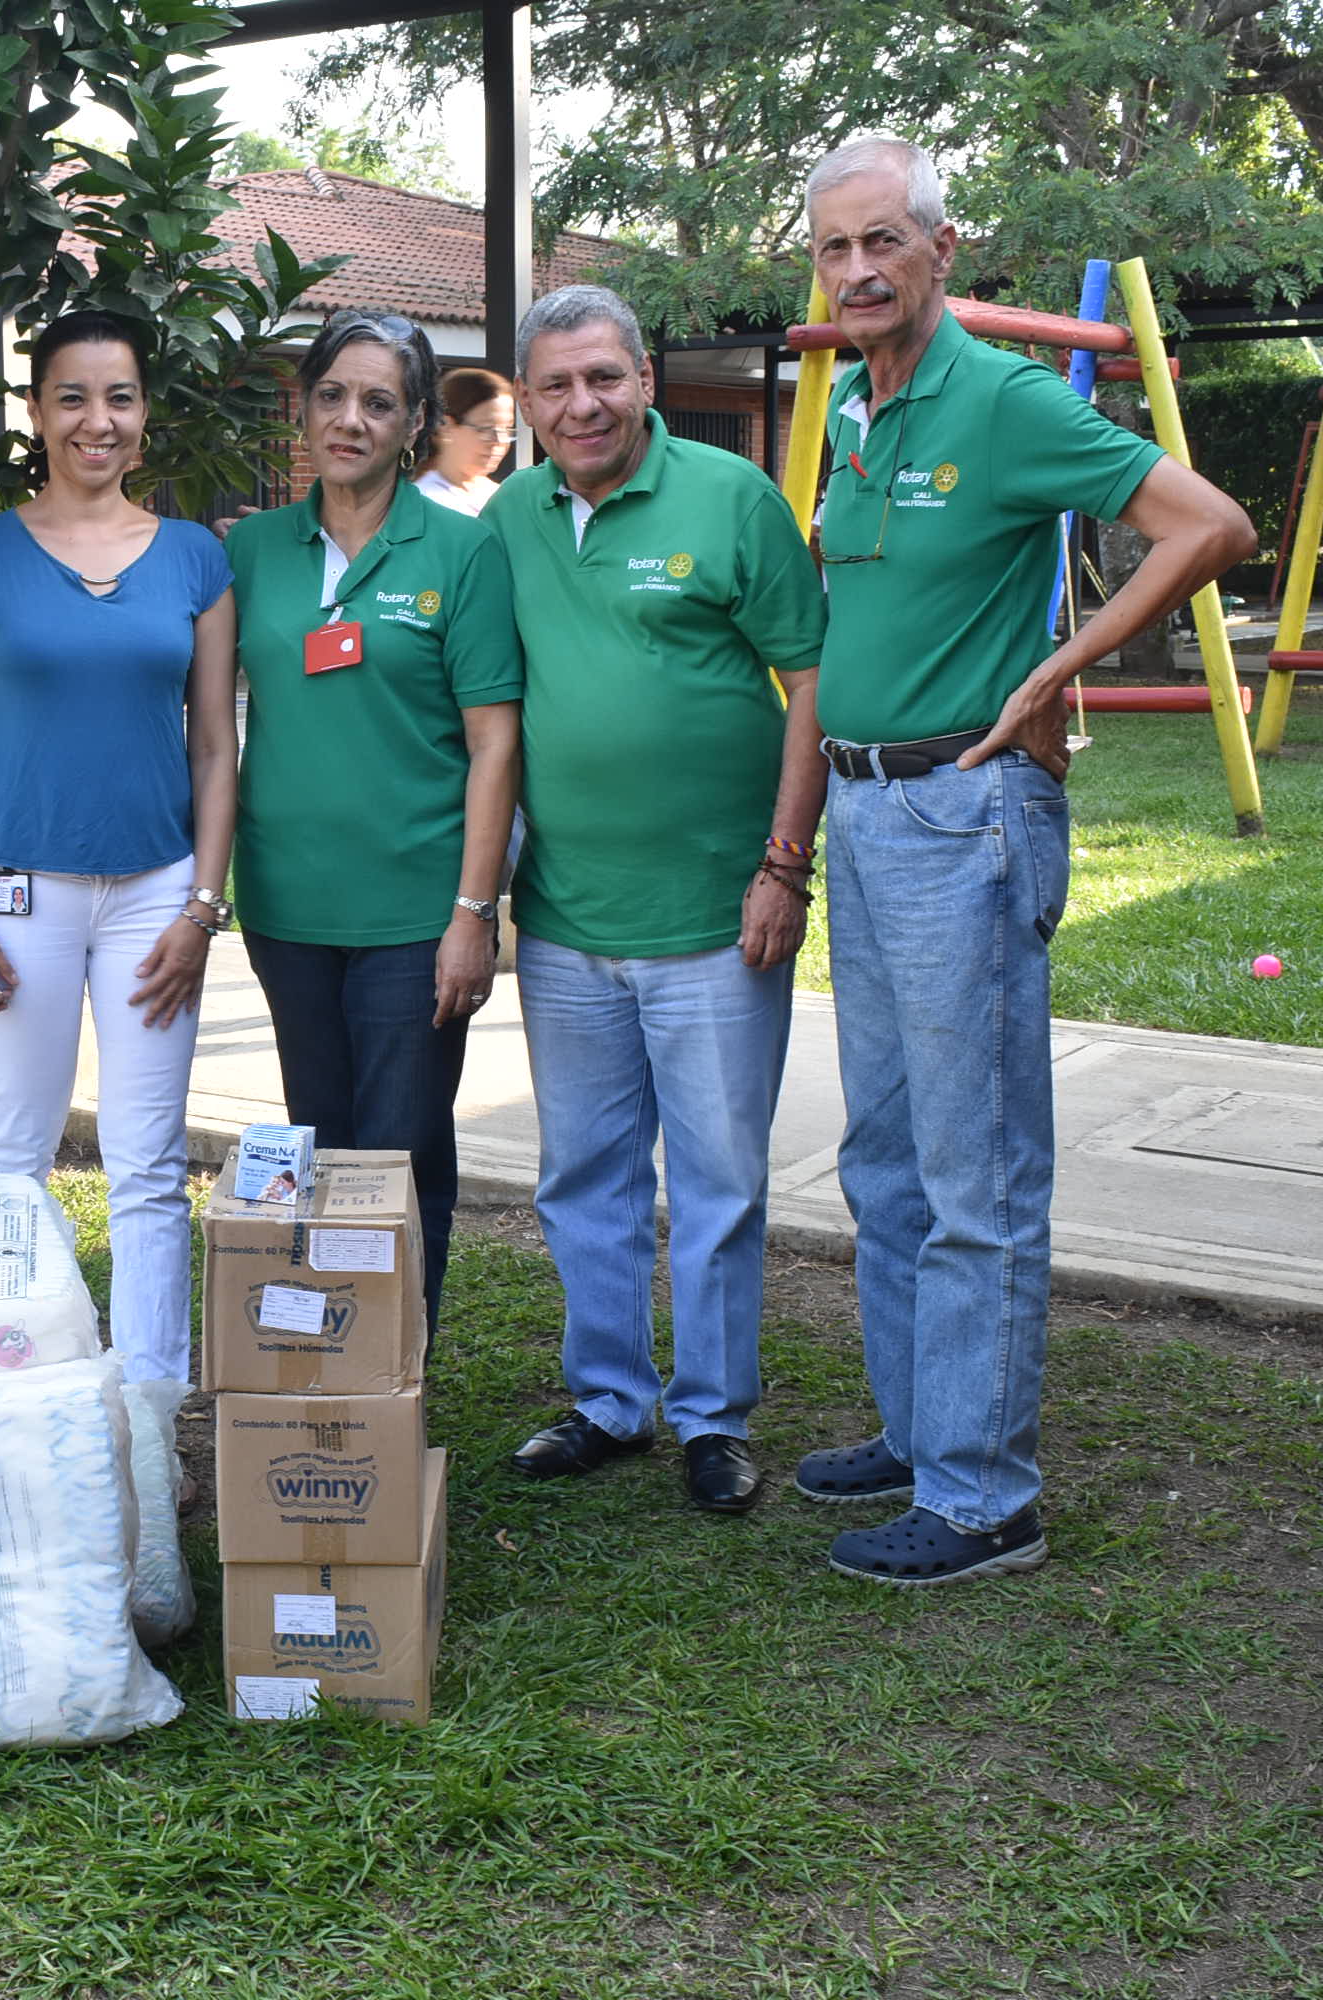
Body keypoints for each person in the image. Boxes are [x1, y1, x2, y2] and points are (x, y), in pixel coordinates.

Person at [794, 136, 1256, 1582]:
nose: (859, 269)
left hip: (961, 815)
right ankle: (921, 1430)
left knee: (974, 1168)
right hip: (867, 811)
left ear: (943, 249)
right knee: (883, 1159)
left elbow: (1210, 525)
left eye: (884, 240)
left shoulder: (1000, 399)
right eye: (835, 247)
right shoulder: (860, 408)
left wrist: (1062, 666)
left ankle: (984, 1497)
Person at [480, 284, 829, 1516]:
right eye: (555, 384)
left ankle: (714, 1414)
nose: (581, 404)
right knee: (583, 1173)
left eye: (602, 377)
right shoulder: (506, 520)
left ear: (643, 379)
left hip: (719, 918)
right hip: (565, 918)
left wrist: (783, 865)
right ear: (526, 402)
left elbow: (812, 681)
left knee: (719, 1181)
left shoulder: (731, 500)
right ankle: (609, 1398)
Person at [0, 309, 241, 1386]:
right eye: (72, 397)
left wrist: (202, 908)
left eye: (119, 397)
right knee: (15, 1151)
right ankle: (7, 1386)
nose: (96, 420)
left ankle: (151, 1405)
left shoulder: (196, 558)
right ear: (37, 411)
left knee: (148, 1164)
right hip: (15, 893)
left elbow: (214, 747)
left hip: (157, 896)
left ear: (144, 415)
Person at [228, 309, 524, 1322]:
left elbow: (494, 744)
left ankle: (391, 1375)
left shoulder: (462, 551)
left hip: (415, 912)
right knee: (313, 1147)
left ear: (413, 426)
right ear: (302, 409)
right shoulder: (251, 550)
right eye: (332, 395)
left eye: (379, 402)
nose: (350, 419)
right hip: (286, 908)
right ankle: (324, 1348)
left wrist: (474, 911)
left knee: (397, 1155)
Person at [414, 364, 515, 515]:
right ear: (446, 426)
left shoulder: (503, 496)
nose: (499, 441)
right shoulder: (424, 504)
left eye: (506, 428)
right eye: (486, 429)